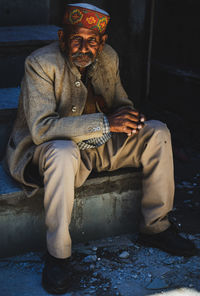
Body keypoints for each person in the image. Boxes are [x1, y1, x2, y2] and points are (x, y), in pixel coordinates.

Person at [6, 3, 197, 294]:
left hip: (97, 146)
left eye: (92, 41)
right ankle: (58, 255)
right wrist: (107, 123)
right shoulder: (40, 63)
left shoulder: (108, 57)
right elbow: (42, 129)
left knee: (157, 132)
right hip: (47, 149)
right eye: (76, 39)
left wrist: (130, 119)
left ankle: (156, 227)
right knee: (63, 152)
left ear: (102, 42)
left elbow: (121, 104)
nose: (85, 47)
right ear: (61, 38)